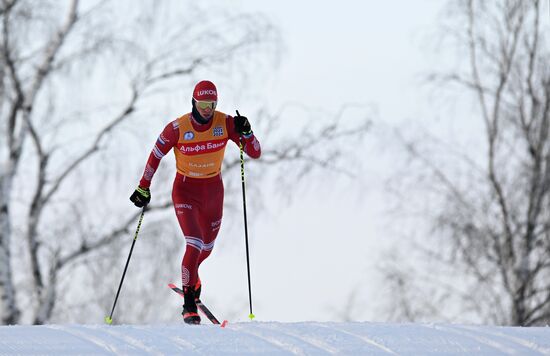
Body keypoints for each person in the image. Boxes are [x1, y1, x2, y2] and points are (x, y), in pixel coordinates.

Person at [129, 80, 261, 324]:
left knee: (206, 249)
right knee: (194, 243)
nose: (207, 110)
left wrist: (247, 132)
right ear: (194, 102)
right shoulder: (178, 128)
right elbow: (156, 153)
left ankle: (192, 278)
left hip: (213, 192)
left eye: (211, 104)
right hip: (185, 191)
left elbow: (254, 152)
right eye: (202, 104)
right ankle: (189, 303)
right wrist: (143, 187)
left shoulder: (225, 123)